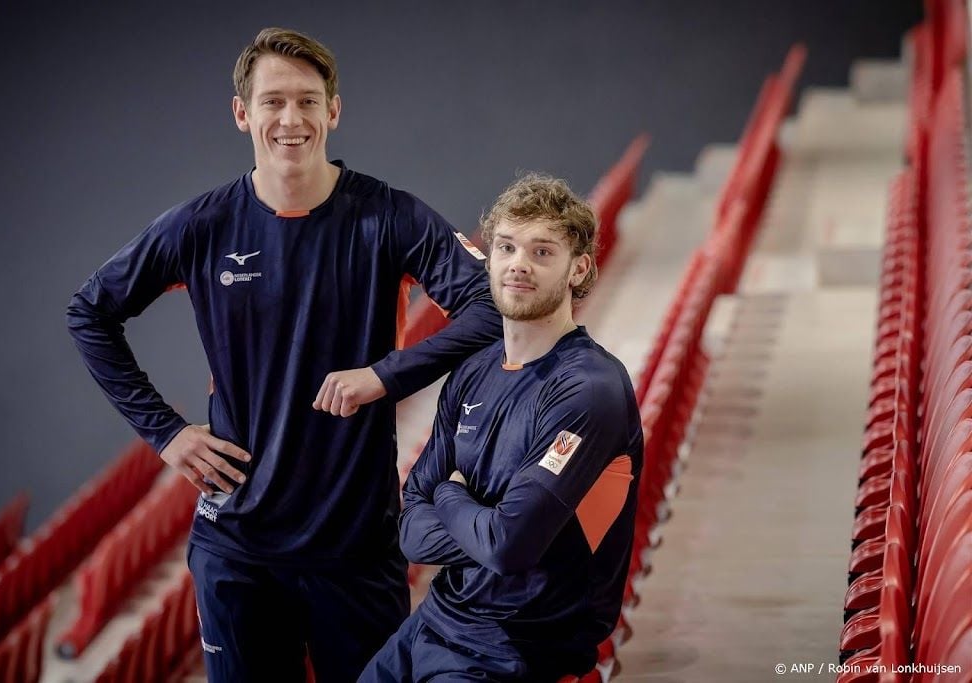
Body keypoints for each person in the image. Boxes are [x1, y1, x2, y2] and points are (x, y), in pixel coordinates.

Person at [66, 27, 502, 682]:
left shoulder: (388, 218)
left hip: (355, 546)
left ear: (334, 110)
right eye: (272, 102)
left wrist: (384, 376)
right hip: (239, 547)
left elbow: (490, 307)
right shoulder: (202, 226)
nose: (290, 119)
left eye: (306, 101)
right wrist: (165, 432)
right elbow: (90, 311)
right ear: (243, 114)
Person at [361, 173, 644, 682]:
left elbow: (509, 546)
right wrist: (490, 529)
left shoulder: (588, 389)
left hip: (521, 646)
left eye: (541, 253)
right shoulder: (473, 372)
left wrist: (450, 498)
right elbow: (411, 533)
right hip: (438, 622)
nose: (518, 264)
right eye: (507, 247)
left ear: (578, 269)